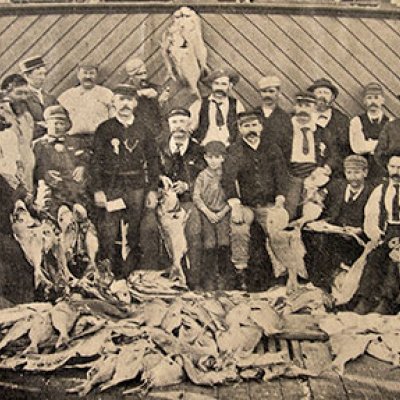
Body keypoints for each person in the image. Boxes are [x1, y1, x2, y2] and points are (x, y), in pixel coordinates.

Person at [90, 84, 159, 279]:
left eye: (129, 100)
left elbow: (154, 161)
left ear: (136, 103)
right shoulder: (105, 129)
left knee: (135, 231)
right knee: (109, 231)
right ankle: (108, 274)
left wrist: (152, 190)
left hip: (137, 187)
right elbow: (95, 161)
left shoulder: (144, 129)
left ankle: (132, 274)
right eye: (121, 99)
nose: (125, 104)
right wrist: (97, 190)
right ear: (114, 102)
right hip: (111, 186)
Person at [221, 110, 288, 290]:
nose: (250, 129)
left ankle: (282, 272)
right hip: (247, 205)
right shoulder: (234, 151)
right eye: (245, 126)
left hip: (269, 204)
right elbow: (227, 179)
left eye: (253, 125)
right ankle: (240, 271)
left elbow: (281, 176)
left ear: (261, 126)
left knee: (279, 229)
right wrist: (235, 205)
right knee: (239, 228)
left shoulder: (271, 148)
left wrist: (280, 200)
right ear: (240, 129)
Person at [305, 155, 373, 291]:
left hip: (357, 238)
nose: (352, 177)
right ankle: (322, 283)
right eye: (349, 172)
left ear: (365, 173)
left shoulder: (371, 192)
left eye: (357, 172)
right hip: (336, 233)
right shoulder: (337, 189)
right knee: (310, 235)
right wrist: (321, 223)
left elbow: (374, 221)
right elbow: (327, 212)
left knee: (327, 244)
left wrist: (359, 230)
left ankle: (329, 282)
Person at [159, 108, 205, 289]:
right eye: (174, 122)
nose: (179, 127)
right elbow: (149, 171)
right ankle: (166, 277)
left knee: (194, 231)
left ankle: (194, 280)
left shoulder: (198, 150)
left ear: (189, 125)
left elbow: (206, 176)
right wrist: (160, 180)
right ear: (169, 125)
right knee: (154, 230)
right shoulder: (158, 147)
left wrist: (188, 186)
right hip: (163, 202)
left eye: (182, 122)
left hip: (188, 200)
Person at [278, 91, 339, 220]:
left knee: (314, 210)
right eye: (300, 105)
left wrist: (327, 167)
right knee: (290, 210)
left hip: (314, 174)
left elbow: (334, 154)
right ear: (294, 107)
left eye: (308, 106)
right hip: (291, 174)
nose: (303, 110)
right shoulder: (284, 130)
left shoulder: (322, 132)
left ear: (315, 108)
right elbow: (275, 155)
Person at [355, 153, 400, 314]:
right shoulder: (381, 190)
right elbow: (371, 216)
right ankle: (365, 299)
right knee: (375, 256)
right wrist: (377, 235)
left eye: (399, 168)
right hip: (387, 233)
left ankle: (387, 301)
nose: (395, 172)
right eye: (392, 167)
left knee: (393, 261)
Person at [33, 105, 90, 216]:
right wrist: (43, 175)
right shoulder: (38, 145)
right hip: (49, 189)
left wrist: (82, 167)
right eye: (54, 123)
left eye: (61, 123)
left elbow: (87, 158)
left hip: (73, 188)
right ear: (46, 124)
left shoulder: (75, 142)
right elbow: (32, 168)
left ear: (67, 126)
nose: (57, 127)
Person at [193, 141, 231, 290]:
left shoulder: (227, 175)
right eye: (210, 157)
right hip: (207, 214)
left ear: (223, 158)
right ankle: (208, 278)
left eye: (217, 157)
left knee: (224, 243)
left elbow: (234, 197)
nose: (213, 160)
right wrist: (208, 212)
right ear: (205, 158)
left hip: (223, 213)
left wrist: (222, 212)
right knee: (209, 243)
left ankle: (223, 277)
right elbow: (196, 197)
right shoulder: (202, 176)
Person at [58, 61, 113, 153]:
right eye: (85, 73)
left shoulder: (106, 94)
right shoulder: (66, 96)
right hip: (74, 140)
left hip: (99, 139)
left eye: (91, 73)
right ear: (78, 75)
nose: (88, 77)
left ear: (97, 75)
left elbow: (113, 119)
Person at [189, 68, 245, 147]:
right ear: (211, 85)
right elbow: (189, 127)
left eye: (223, 84)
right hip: (204, 147)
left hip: (228, 148)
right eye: (216, 83)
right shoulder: (200, 103)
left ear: (230, 86)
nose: (219, 88)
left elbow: (242, 128)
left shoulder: (236, 104)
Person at [0, 74, 35, 192]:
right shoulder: (1, 117)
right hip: (7, 175)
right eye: (19, 93)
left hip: (27, 175)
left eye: (26, 93)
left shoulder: (27, 118)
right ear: (5, 94)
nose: (23, 97)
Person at [349, 82, 390, 184]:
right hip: (364, 169)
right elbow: (358, 147)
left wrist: (368, 143)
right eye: (369, 98)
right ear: (364, 101)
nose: (373, 101)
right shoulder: (356, 121)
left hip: (384, 169)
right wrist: (380, 143)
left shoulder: (390, 122)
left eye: (376, 98)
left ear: (382, 101)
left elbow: (391, 147)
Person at [125, 57, 169, 141]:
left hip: (155, 136)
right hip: (134, 137)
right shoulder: (125, 91)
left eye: (145, 73)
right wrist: (140, 93)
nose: (144, 77)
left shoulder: (156, 88)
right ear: (131, 78)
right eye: (139, 74)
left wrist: (161, 102)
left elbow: (164, 115)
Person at [308, 78, 350, 163]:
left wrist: (329, 167)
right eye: (319, 92)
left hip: (334, 170)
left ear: (332, 97)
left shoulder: (341, 120)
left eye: (326, 93)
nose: (322, 96)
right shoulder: (301, 118)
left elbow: (344, 150)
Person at [19, 56, 59, 140]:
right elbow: (24, 124)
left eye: (44, 74)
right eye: (39, 74)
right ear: (27, 75)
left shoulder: (50, 98)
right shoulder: (21, 98)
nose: (43, 78)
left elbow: (62, 117)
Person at [254, 75, 291, 142]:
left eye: (271, 91)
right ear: (260, 93)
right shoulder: (253, 114)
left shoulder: (284, 117)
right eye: (264, 91)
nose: (267, 95)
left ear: (278, 93)